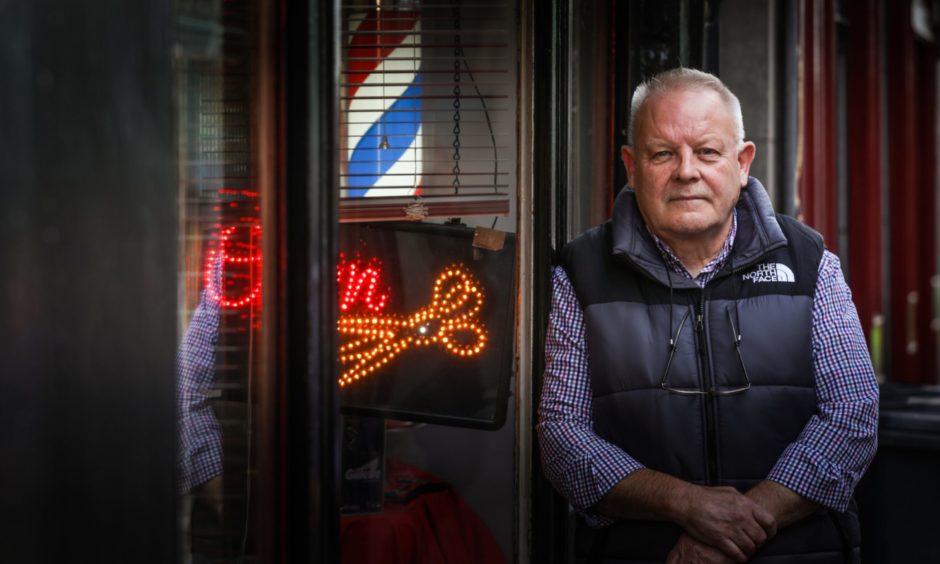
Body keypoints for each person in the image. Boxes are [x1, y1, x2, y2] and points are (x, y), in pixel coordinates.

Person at [537, 68, 879, 563]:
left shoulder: (808, 263)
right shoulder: (583, 272)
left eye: (707, 152)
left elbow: (852, 418)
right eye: (662, 154)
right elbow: (562, 436)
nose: (686, 171)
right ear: (631, 168)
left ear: (742, 163)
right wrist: (687, 505)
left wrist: (736, 526)